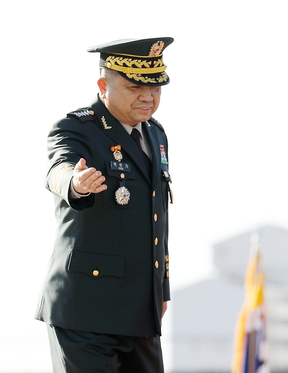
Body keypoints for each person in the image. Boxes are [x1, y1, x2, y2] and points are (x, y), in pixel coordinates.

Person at [35, 37, 174, 372]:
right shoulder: (77, 128)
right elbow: (59, 168)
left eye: (155, 87)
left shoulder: (155, 134)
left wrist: (161, 290)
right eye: (135, 87)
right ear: (103, 85)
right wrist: (75, 183)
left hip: (141, 311)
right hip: (86, 312)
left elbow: (156, 216)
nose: (147, 96)